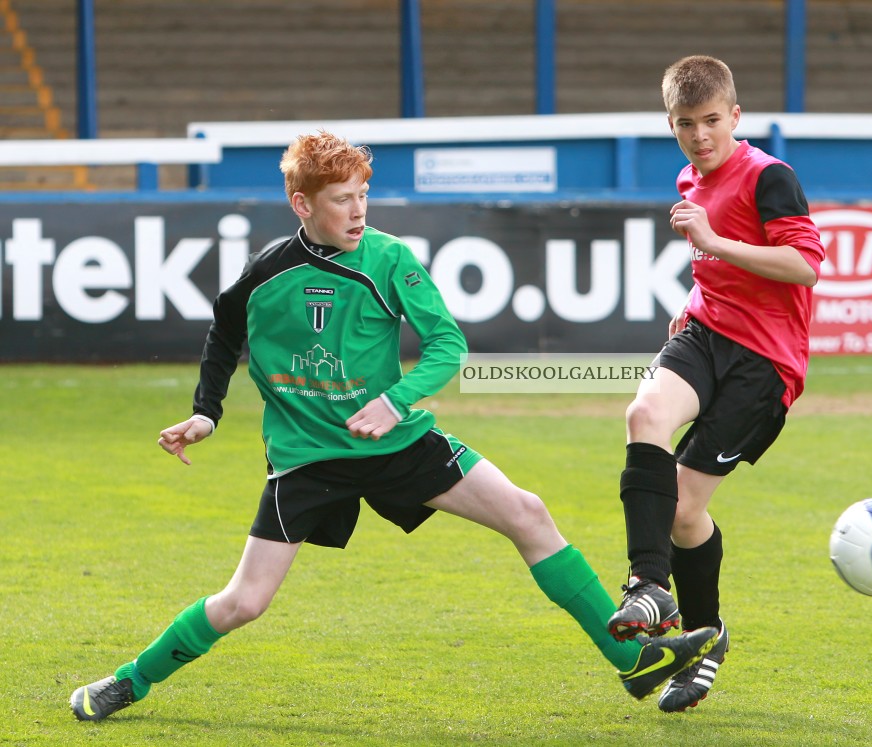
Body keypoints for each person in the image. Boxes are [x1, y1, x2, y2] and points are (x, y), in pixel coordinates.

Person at [70, 131, 717, 722]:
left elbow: (446, 344)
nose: (358, 211)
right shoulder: (267, 271)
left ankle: (631, 662)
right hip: (309, 459)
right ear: (301, 204)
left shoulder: (389, 259)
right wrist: (206, 412)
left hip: (398, 442)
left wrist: (395, 401)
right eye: (341, 199)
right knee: (244, 601)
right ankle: (129, 680)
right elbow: (224, 332)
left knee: (528, 513)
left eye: (363, 196)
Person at [605, 56, 826, 713]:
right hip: (704, 333)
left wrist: (714, 241)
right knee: (644, 415)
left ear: (735, 115)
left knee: (684, 509)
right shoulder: (687, 177)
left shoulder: (770, 177)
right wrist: (695, 294)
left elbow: (804, 266)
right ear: (670, 125)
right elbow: (715, 263)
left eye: (710, 122)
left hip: (765, 364)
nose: (700, 137)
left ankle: (707, 639)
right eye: (685, 125)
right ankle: (648, 584)